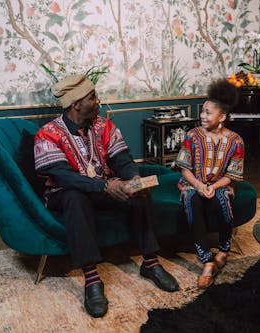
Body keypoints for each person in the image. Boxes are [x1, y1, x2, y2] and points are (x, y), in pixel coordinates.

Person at [34, 74, 179, 318]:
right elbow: (64, 177)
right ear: (76, 104)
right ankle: (92, 280)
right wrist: (104, 186)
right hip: (65, 193)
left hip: (104, 187)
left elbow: (122, 160)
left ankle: (151, 263)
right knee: (74, 196)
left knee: (138, 193)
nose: (99, 101)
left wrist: (132, 179)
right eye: (93, 97)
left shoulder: (104, 126)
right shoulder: (47, 134)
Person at [175, 79, 245, 289]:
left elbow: (232, 174)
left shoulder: (236, 141)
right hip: (192, 183)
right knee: (191, 201)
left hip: (220, 184)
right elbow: (184, 168)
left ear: (222, 116)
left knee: (221, 201)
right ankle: (207, 261)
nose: (203, 116)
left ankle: (223, 250)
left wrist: (213, 187)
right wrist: (198, 186)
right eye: (202, 112)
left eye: (208, 113)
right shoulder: (192, 136)